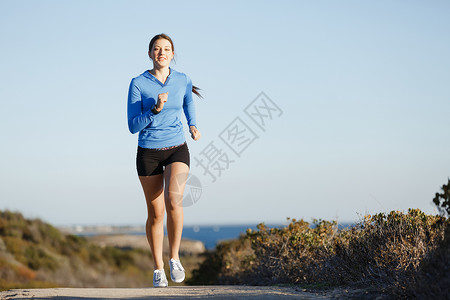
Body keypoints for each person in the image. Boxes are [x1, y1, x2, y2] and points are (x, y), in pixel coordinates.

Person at [127, 33, 201, 288]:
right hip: (148, 152)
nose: (162, 52)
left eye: (166, 49)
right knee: (156, 213)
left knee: (174, 200)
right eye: (157, 49)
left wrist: (192, 125)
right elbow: (132, 126)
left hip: (177, 148)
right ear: (150, 54)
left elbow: (188, 101)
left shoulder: (182, 80)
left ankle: (174, 258)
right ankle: (158, 268)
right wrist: (155, 110)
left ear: (172, 54)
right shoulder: (138, 83)